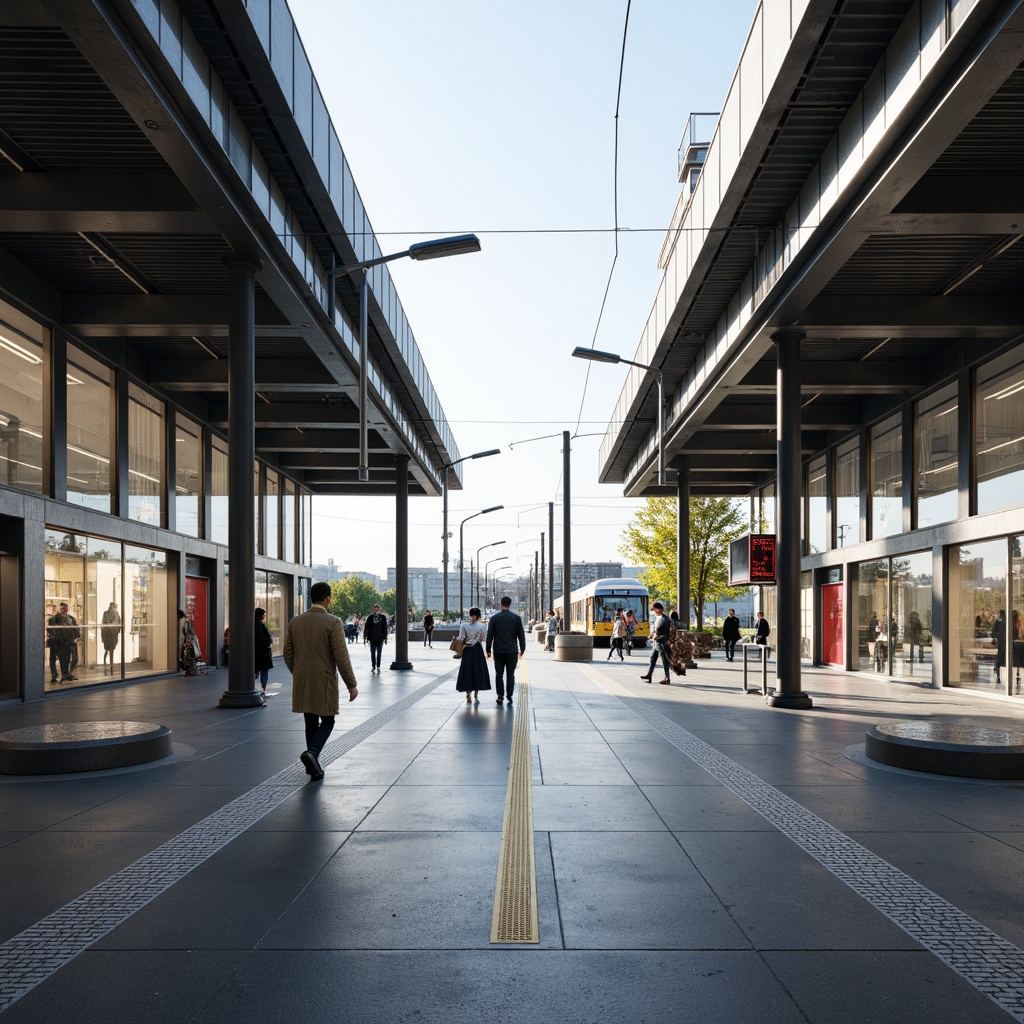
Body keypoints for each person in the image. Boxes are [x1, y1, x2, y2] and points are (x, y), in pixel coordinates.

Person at [284, 580, 358, 781]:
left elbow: (287, 654)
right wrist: (351, 684)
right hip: (324, 679)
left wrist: (298, 672)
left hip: (302, 679)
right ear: (328, 599)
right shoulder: (333, 622)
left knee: (310, 720)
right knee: (327, 720)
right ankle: (313, 753)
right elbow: (341, 656)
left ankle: (312, 768)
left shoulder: (295, 622)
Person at [486, 595, 526, 704]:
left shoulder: (494, 618)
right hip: (512, 650)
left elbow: (489, 635)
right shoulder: (516, 618)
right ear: (510, 604)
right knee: (510, 673)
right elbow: (521, 635)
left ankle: (500, 696)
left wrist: (488, 650)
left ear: (501, 604)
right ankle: (509, 695)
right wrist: (522, 649)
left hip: (498, 651)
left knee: (499, 674)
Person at [455, 607, 490, 704]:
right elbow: (483, 639)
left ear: (470, 615)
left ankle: (468, 693)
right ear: (478, 616)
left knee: (467, 671)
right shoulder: (482, 626)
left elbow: (461, 638)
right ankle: (476, 694)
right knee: (477, 671)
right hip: (477, 650)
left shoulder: (464, 625)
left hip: (467, 650)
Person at [47, 602, 79, 684]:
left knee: (66, 659)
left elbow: (75, 630)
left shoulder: (71, 619)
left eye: (65, 608)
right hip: (56, 642)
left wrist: (74, 638)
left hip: (66, 642)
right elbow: (51, 630)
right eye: (62, 608)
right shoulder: (54, 619)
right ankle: (55, 675)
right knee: (54, 659)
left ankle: (65, 673)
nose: (63, 610)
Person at [641, 601, 672, 684]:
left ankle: (667, 677)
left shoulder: (664, 619)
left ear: (658, 610)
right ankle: (649, 675)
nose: (653, 611)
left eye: (653, 609)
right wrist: (651, 636)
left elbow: (661, 632)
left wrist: (654, 636)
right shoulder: (659, 618)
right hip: (657, 642)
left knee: (664, 659)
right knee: (653, 658)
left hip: (662, 642)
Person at [363, 603, 388, 673]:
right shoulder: (370, 617)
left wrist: (385, 638)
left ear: (379, 609)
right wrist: (365, 637)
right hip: (372, 638)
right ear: (374, 609)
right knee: (373, 652)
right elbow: (366, 627)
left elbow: (385, 628)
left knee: (379, 653)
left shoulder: (383, 617)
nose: (376, 610)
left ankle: (378, 665)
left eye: (377, 608)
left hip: (380, 638)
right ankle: (373, 665)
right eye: (375, 608)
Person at [255, 607, 274, 697]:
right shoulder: (262, 626)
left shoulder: (251, 626)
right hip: (263, 653)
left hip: (254, 654)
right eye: (263, 615)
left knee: (254, 671)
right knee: (264, 672)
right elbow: (267, 639)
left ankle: (252, 687)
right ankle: (263, 688)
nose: (264, 616)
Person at [100, 601, 121, 673]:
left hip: (113, 633)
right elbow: (103, 623)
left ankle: (110, 663)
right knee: (107, 649)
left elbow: (118, 624)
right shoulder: (106, 613)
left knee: (111, 649)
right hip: (107, 633)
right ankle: (107, 663)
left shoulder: (116, 613)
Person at [179, 609, 200, 676]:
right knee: (189, 656)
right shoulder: (187, 623)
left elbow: (187, 632)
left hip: (188, 642)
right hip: (189, 641)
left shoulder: (186, 624)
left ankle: (190, 670)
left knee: (188, 656)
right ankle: (191, 670)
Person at [992, 609, 1006, 685]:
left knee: (999, 659)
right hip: (1006, 643)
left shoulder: (999, 621)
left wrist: (997, 637)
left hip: (1001, 643)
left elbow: (993, 633)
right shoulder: (1008, 621)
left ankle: (998, 677)